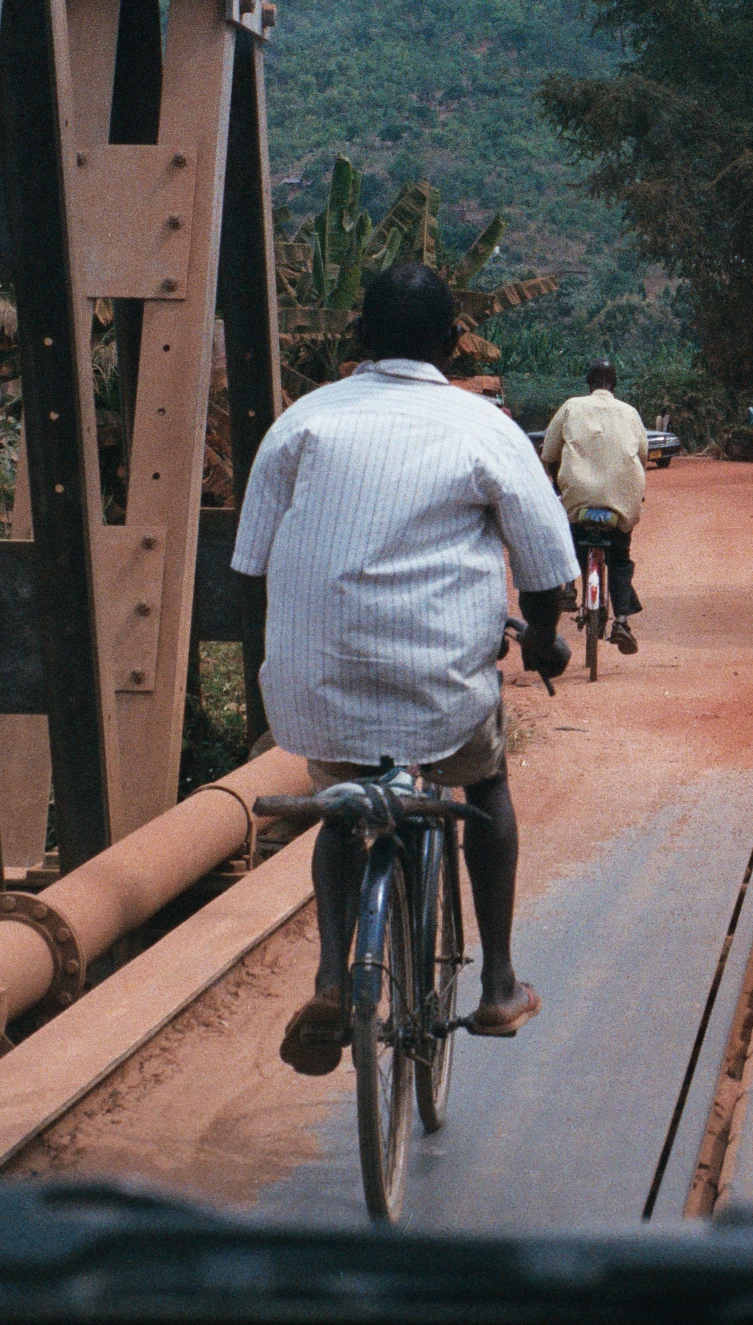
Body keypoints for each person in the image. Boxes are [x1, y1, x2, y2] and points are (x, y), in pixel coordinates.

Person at [232, 263, 577, 1075]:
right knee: (484, 785)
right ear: (455, 344)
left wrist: (289, 664)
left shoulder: (300, 423)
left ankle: (329, 979)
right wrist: (544, 641)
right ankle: (496, 984)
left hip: (318, 686)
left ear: (358, 338)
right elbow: (546, 570)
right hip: (440, 689)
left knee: (341, 801)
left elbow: (248, 567)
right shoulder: (482, 426)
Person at [538, 358, 649, 654]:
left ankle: (570, 587)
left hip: (579, 499)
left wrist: (558, 480)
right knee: (621, 557)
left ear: (588, 383)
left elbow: (549, 452)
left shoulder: (571, 406)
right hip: (620, 501)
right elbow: (643, 455)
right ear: (614, 384)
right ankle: (622, 621)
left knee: (570, 537)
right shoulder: (630, 413)